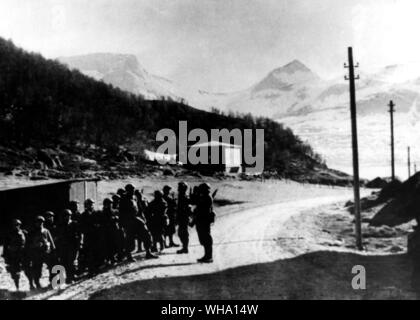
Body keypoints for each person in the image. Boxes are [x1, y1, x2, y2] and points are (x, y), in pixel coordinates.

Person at [26, 216, 56, 289]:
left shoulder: (46, 231)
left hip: (46, 253)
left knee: (52, 266)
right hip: (36, 254)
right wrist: (35, 245)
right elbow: (28, 244)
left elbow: (51, 242)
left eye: (41, 222)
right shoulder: (32, 233)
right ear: (35, 223)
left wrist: (52, 248)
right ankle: (37, 283)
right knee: (37, 269)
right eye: (38, 222)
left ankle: (52, 282)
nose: (40, 224)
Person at [55, 209, 82, 284]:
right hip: (63, 246)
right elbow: (58, 236)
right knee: (63, 262)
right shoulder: (60, 225)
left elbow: (79, 234)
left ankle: (71, 277)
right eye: (66, 216)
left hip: (72, 246)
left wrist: (79, 244)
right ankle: (64, 278)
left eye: (69, 215)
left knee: (71, 262)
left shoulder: (74, 224)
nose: (67, 217)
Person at [2, 219, 27, 291]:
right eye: (15, 225)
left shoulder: (24, 232)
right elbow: (5, 246)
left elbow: (28, 242)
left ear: (20, 225)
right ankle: (17, 287)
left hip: (23, 254)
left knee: (28, 270)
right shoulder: (9, 234)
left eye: (18, 225)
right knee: (15, 272)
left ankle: (32, 284)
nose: (16, 226)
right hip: (13, 256)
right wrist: (5, 256)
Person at [193, 183, 215, 263]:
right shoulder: (204, 197)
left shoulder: (207, 198)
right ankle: (207, 256)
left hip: (204, 220)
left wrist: (197, 194)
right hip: (201, 219)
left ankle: (209, 256)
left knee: (206, 238)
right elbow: (195, 202)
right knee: (203, 238)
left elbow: (199, 205)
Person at [176, 182, 192, 254]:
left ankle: (185, 248)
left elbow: (187, 207)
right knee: (181, 233)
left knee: (183, 233)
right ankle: (185, 247)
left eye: (179, 187)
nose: (178, 188)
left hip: (183, 217)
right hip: (181, 216)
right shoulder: (181, 195)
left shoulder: (184, 196)